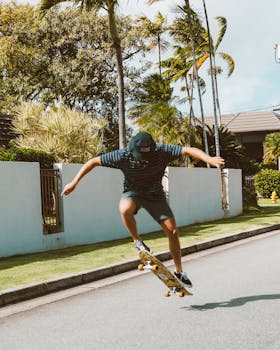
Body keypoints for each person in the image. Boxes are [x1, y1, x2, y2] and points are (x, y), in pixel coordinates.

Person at [61, 132, 225, 287]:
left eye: (147, 157)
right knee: (125, 209)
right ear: (132, 151)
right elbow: (93, 162)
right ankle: (138, 243)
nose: (144, 161)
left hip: (155, 196)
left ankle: (179, 272)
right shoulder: (122, 155)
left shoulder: (162, 152)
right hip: (133, 193)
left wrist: (208, 159)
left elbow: (188, 150)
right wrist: (74, 182)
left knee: (173, 231)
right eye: (141, 158)